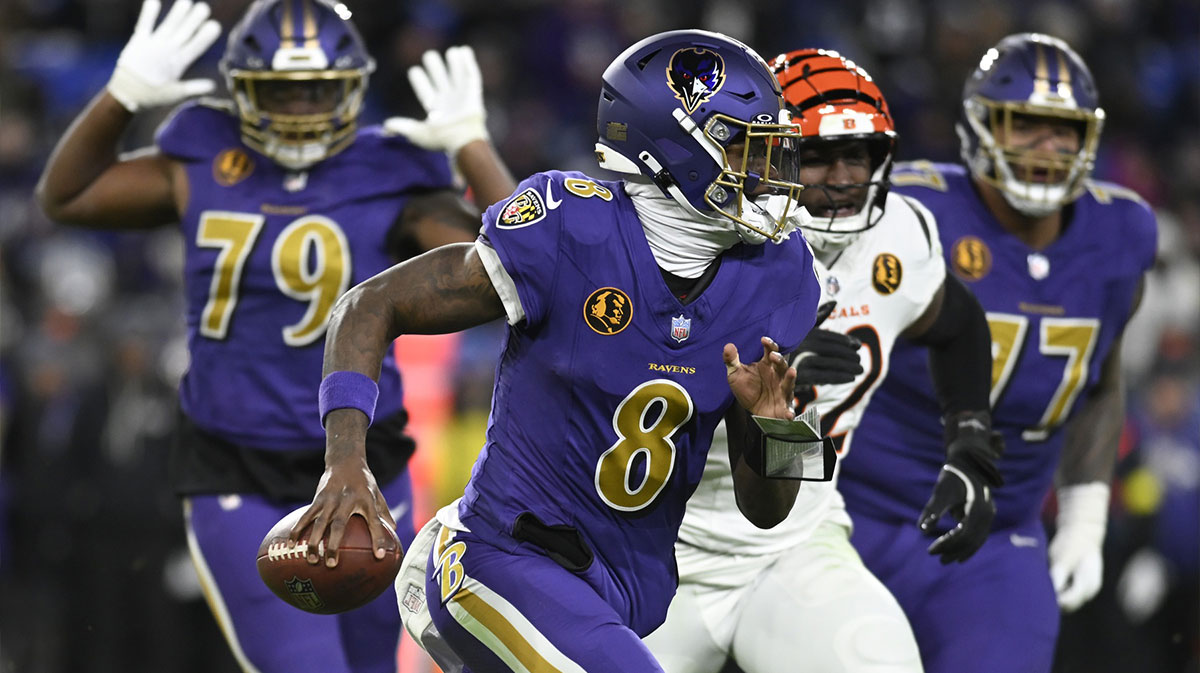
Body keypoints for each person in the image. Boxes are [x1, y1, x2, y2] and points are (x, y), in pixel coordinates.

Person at [293, 29, 824, 673]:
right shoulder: (572, 226)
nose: (766, 172)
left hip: (620, 591)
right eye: (743, 147)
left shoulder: (780, 272)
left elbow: (766, 512)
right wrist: (345, 460)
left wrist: (777, 427)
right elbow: (368, 305)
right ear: (676, 148)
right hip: (494, 558)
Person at [34, 1, 516, 672]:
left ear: (352, 86)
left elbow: (522, 267)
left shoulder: (391, 167)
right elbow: (66, 197)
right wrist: (121, 96)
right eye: (281, 91)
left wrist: (471, 142)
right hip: (241, 466)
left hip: (368, 462)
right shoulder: (205, 150)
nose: (301, 109)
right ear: (241, 90)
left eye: (318, 88)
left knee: (374, 664)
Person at [643, 48, 998, 673]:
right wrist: (764, 386)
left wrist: (968, 440)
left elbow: (958, 321)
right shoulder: (699, 241)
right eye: (816, 156)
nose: (839, 177)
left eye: (855, 155)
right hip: (656, 544)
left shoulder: (898, 238)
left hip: (794, 542)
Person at [838, 33, 1156, 673]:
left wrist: (1087, 512)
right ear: (982, 128)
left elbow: (1100, 375)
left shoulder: (1122, 232)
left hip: (996, 537)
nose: (1048, 147)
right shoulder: (908, 209)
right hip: (854, 516)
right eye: (1027, 126)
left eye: (1064, 130)